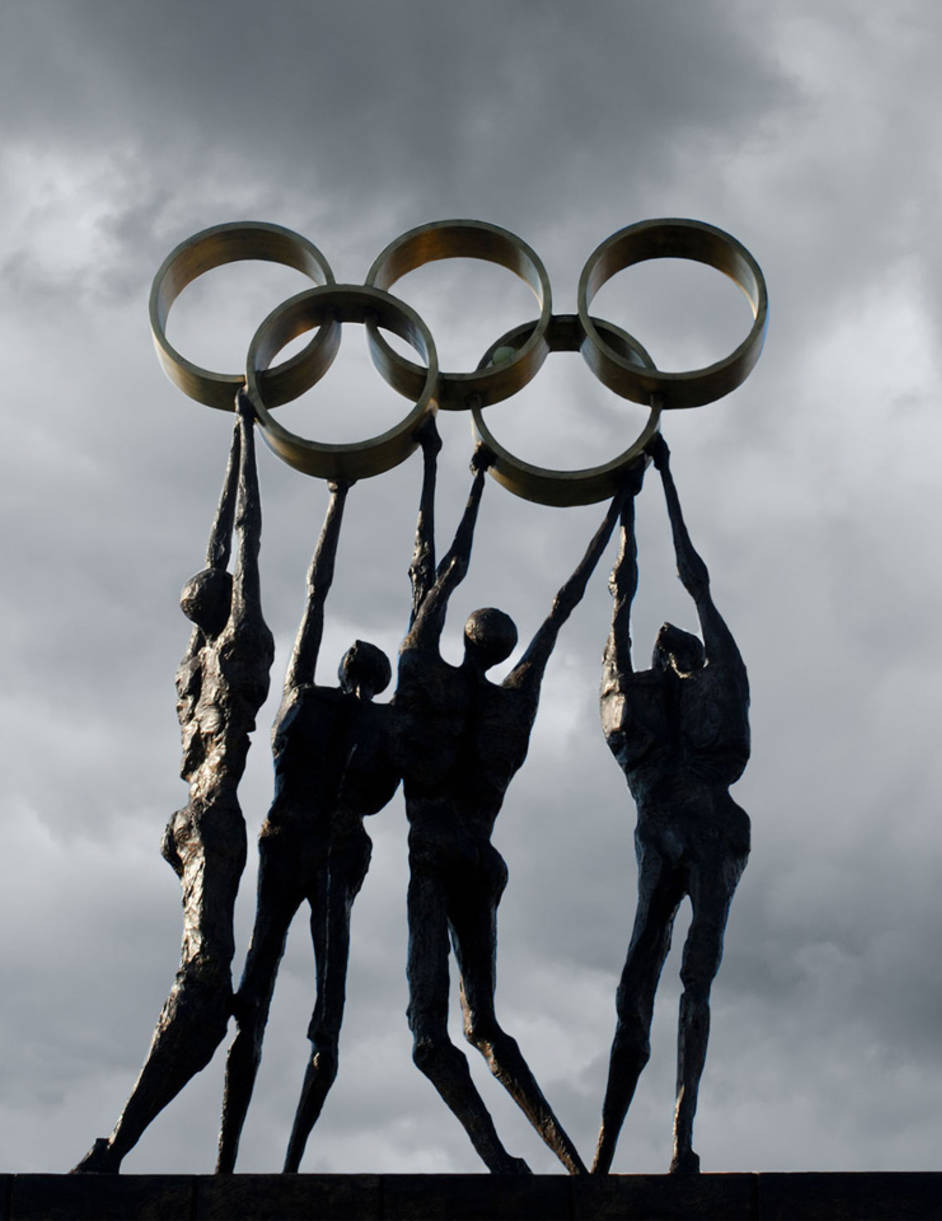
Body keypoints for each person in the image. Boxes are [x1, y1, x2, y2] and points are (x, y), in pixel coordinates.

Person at [392, 415, 628, 1176]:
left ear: (463, 637)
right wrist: (615, 512)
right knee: (483, 1022)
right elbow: (563, 606)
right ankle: (566, 1157)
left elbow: (439, 572)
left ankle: (500, 1157)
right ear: (500, 649)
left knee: (433, 1036)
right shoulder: (511, 705)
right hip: (480, 859)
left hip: (435, 853)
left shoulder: (424, 680)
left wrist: (468, 475)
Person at [74, 391, 275, 1173]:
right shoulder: (230, 653)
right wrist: (248, 438)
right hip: (213, 812)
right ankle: (116, 1146)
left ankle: (122, 1143)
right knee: (203, 987)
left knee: (205, 988)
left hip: (183, 816)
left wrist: (238, 435)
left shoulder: (190, 662)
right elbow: (244, 537)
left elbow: (222, 539)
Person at [216, 476, 398, 1173]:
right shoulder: (362, 715)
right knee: (293, 996)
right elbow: (315, 596)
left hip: (307, 844)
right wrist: (337, 498)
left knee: (290, 995)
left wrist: (338, 497)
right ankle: (257, 1160)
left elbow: (315, 596)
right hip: (313, 844)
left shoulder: (317, 701)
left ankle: (256, 1162)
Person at [591, 433, 751, 1176]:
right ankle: (637, 1143)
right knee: (664, 982)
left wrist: (635, 506)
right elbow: (692, 585)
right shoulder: (708, 691)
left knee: (656, 982)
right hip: (708, 829)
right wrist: (657, 483)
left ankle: (633, 1145)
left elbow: (630, 607)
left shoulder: (641, 718)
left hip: (678, 830)